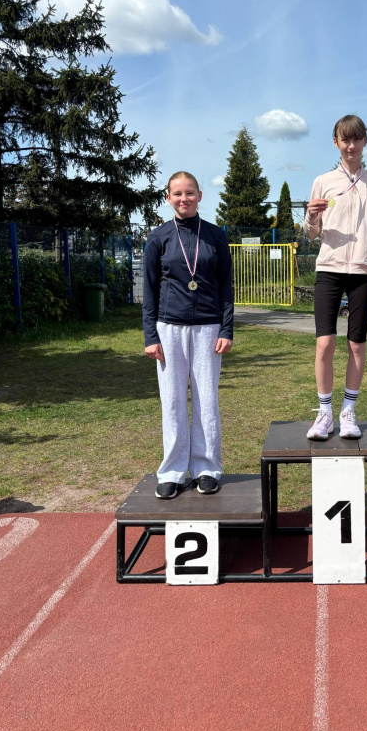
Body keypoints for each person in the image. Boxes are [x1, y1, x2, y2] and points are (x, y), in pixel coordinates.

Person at [142, 172, 234, 499]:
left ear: (199, 196)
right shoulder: (158, 237)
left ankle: (206, 468)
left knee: (207, 400)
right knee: (173, 401)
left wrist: (226, 328)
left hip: (208, 327)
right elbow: (149, 290)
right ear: (168, 197)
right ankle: (172, 471)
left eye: (190, 193)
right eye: (178, 193)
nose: (184, 199)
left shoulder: (215, 235)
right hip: (169, 328)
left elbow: (226, 286)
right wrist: (150, 336)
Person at [302, 114, 367, 440]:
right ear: (336, 142)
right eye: (345, 139)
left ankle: (348, 411)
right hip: (329, 269)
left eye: (356, 139)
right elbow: (311, 233)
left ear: (365, 141)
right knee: (324, 343)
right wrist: (311, 216)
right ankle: (324, 413)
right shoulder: (323, 181)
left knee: (356, 344)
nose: (351, 145)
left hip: (363, 272)